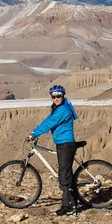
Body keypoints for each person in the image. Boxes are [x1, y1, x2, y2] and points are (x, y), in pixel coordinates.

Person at [28, 84, 78, 216]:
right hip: (62, 143)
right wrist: (35, 131)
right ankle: (73, 200)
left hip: (66, 144)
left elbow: (51, 123)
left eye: (58, 96)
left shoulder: (63, 110)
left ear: (63, 95)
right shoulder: (58, 107)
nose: (56, 98)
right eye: (53, 96)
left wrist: (34, 134)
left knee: (64, 176)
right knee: (65, 173)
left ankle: (69, 207)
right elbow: (48, 120)